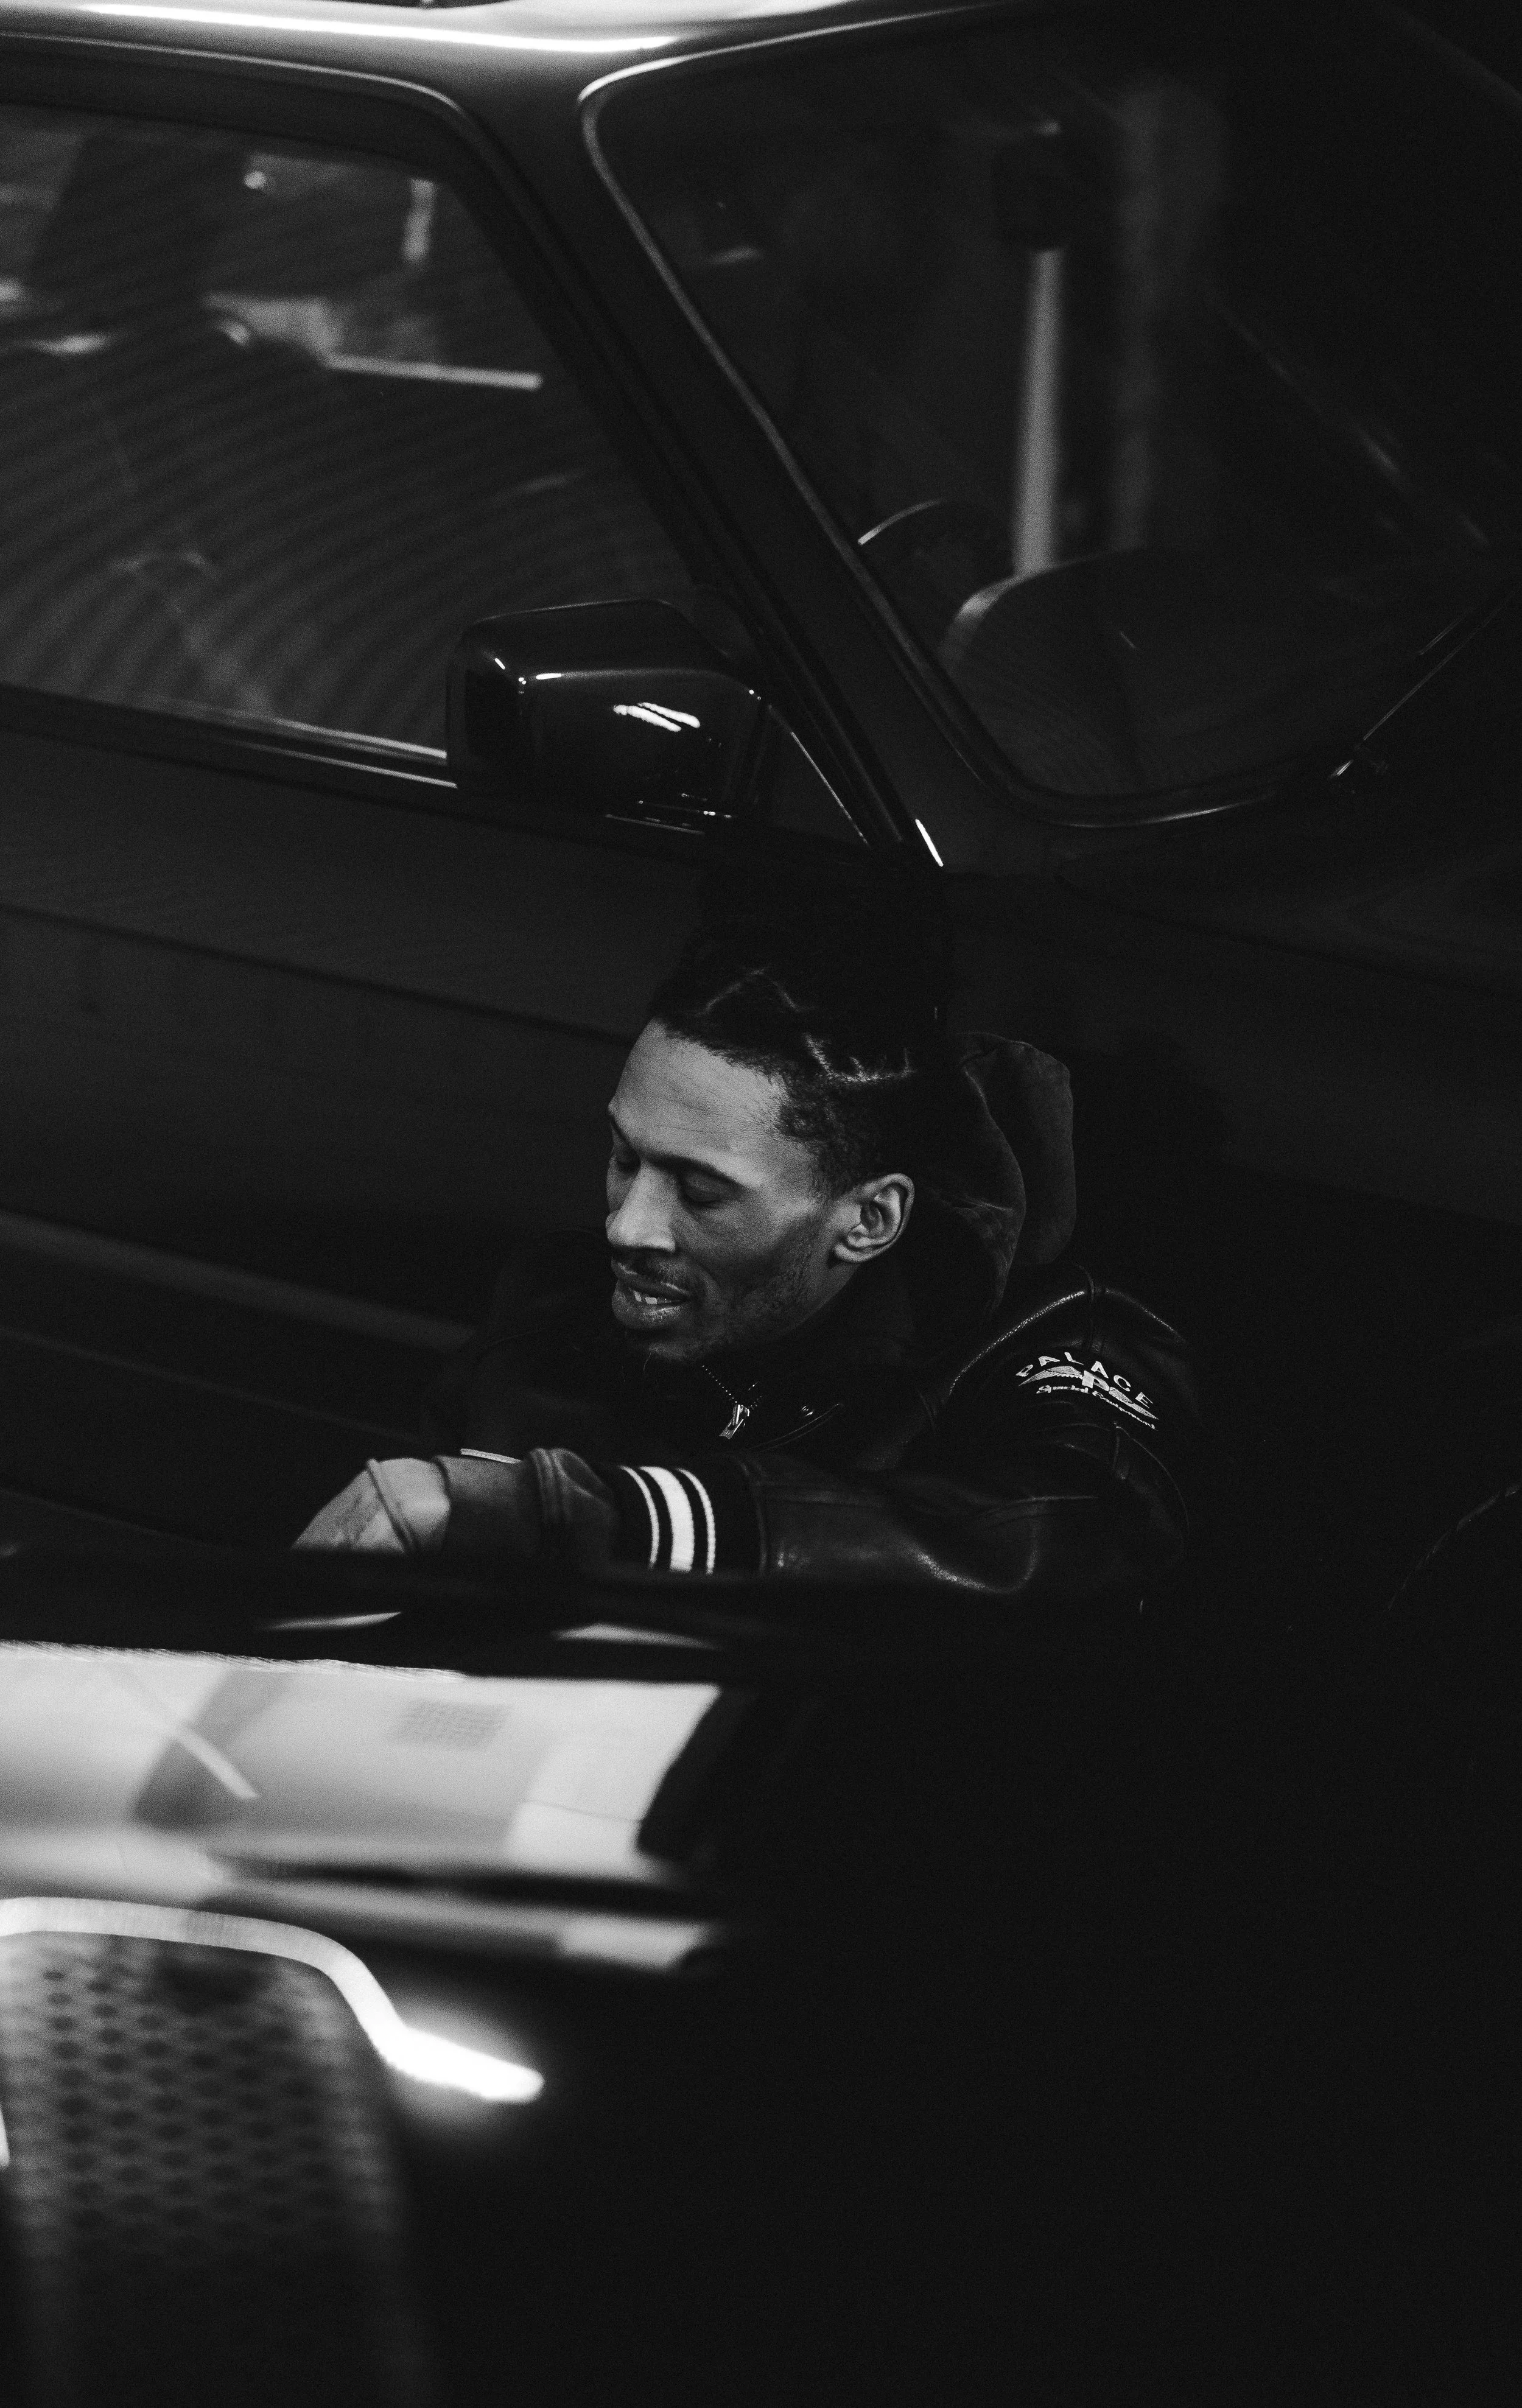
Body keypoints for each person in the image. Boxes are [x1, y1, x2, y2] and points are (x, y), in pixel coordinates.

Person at [295, 911, 1196, 1601]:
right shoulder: (557, 1312)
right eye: (624, 1159)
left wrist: (569, 1516)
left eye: (702, 1191)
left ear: (870, 1219)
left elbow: (1079, 1537)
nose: (628, 1228)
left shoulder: (1050, 1346)